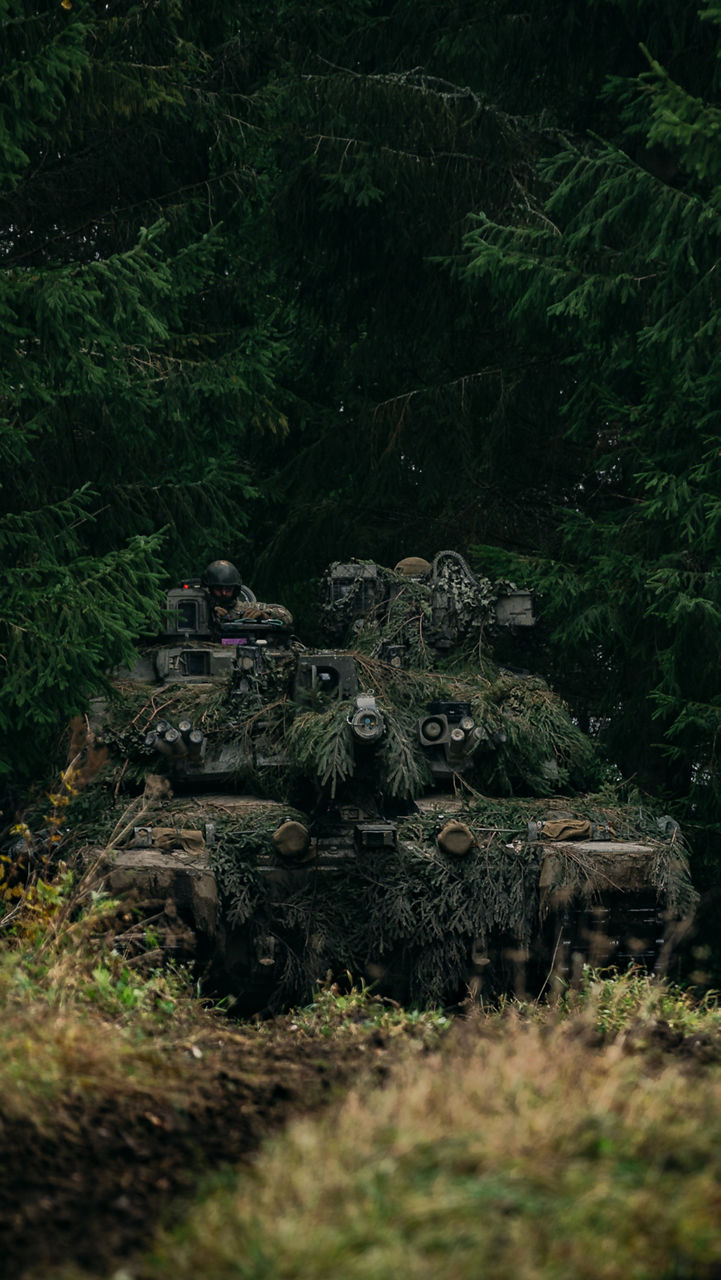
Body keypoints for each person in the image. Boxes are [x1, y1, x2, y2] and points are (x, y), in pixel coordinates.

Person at [201, 560, 293, 628]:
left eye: (228, 589)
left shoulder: (247, 608)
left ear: (236, 590)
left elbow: (286, 616)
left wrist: (265, 616)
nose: (223, 593)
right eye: (218, 589)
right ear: (209, 589)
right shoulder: (199, 611)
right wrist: (210, 613)